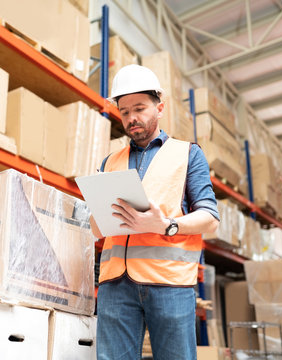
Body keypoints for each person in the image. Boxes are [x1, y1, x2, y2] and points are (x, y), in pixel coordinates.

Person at [90, 64, 220, 360]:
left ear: (159, 107)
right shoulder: (110, 161)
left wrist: (167, 225)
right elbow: (96, 229)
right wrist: (98, 214)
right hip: (115, 285)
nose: (132, 118)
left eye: (140, 108)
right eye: (124, 111)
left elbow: (210, 218)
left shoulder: (188, 153)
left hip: (170, 283)